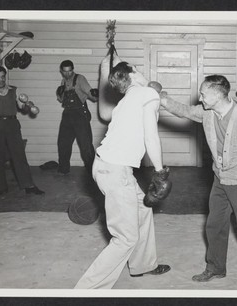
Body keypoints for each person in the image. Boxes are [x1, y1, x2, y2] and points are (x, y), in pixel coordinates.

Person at [160, 75, 237, 289]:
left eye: (203, 94)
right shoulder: (208, 113)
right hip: (220, 179)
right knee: (215, 225)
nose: (200, 98)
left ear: (218, 95)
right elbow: (185, 111)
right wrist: (163, 99)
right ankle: (216, 268)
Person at [74, 62, 171, 289]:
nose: (142, 71)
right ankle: (85, 292)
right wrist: (160, 172)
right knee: (126, 238)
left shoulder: (126, 100)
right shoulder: (147, 93)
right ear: (133, 75)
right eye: (138, 68)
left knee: (143, 208)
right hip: (115, 171)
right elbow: (151, 138)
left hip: (106, 167)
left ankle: (143, 265)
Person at [0, 66, 44, 196]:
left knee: (19, 154)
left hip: (12, 124)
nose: (1, 79)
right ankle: (1, 188)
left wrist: (28, 106)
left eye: (3, 76)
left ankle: (28, 185)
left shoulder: (14, 90)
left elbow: (22, 107)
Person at [56, 60, 98, 177]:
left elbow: (90, 93)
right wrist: (60, 94)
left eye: (70, 71)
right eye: (65, 72)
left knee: (85, 145)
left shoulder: (80, 79)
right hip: (67, 115)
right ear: (62, 71)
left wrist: (94, 94)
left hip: (80, 115)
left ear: (73, 70)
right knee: (63, 143)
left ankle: (93, 172)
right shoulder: (63, 81)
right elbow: (62, 100)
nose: (68, 74)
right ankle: (63, 169)